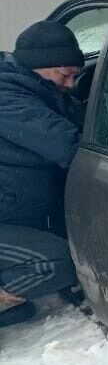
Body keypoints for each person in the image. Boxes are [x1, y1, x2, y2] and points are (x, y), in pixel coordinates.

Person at [0, 20, 85, 327]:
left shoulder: (42, 90)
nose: (71, 84)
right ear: (40, 66)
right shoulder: (7, 98)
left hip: (16, 215)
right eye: (65, 75)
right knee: (57, 262)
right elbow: (66, 143)